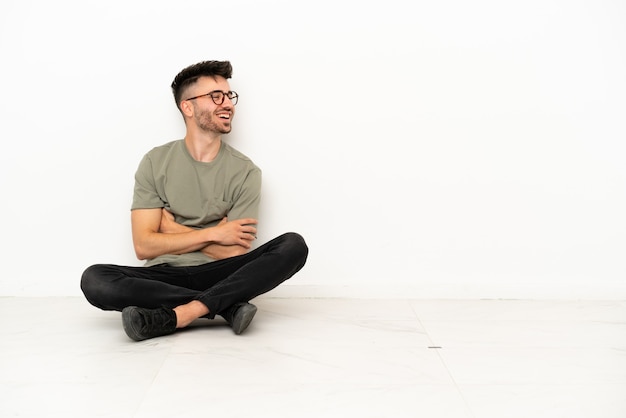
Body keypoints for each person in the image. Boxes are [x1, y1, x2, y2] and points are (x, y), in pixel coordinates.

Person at [80, 60, 308, 342]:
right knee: (94, 279)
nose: (228, 104)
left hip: (220, 274)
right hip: (164, 276)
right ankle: (226, 305)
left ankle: (181, 314)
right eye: (216, 96)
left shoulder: (246, 171)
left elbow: (233, 254)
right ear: (187, 107)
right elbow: (143, 245)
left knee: (293, 246)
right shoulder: (155, 162)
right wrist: (215, 233)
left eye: (229, 96)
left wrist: (172, 230)